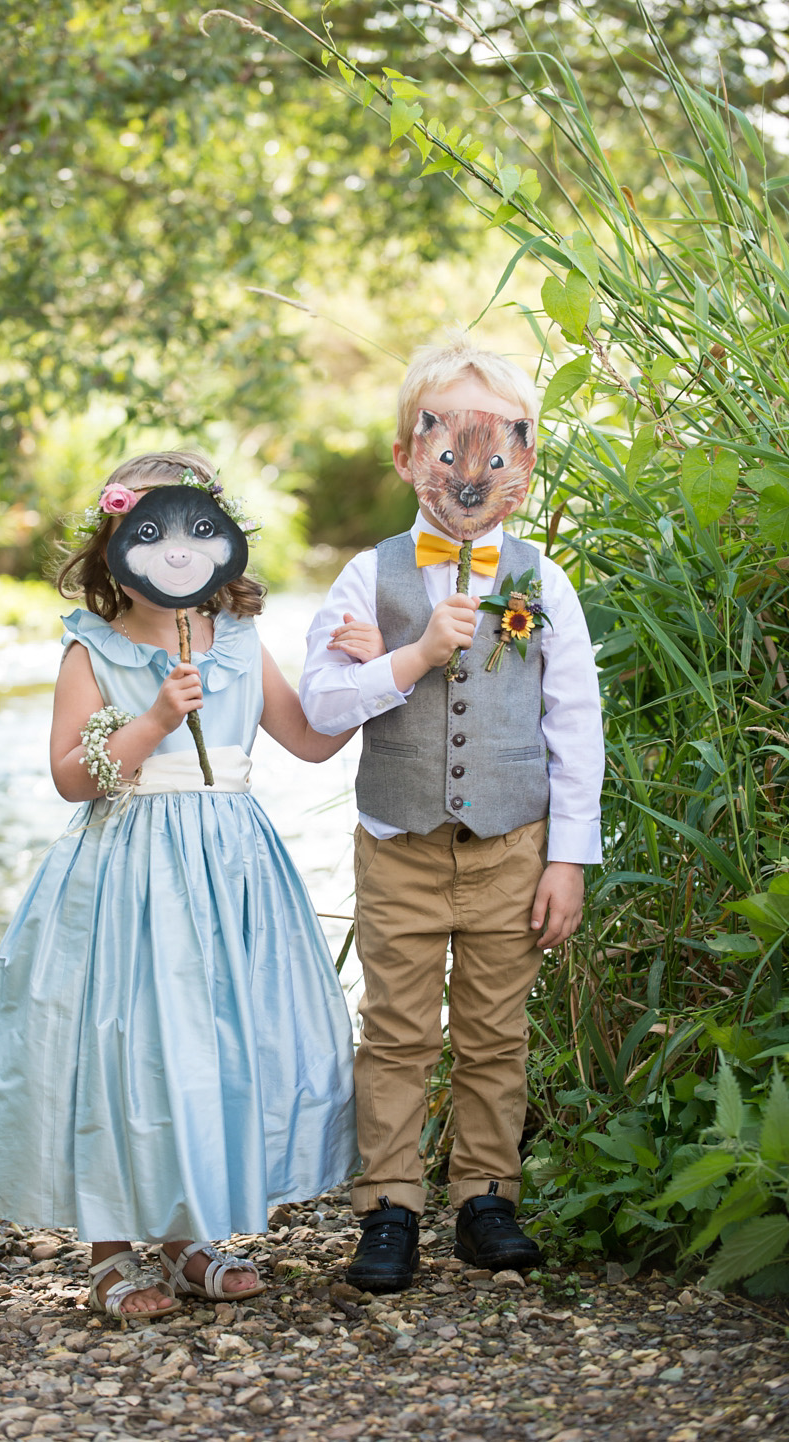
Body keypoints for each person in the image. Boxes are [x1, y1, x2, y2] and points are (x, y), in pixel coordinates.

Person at [0, 451, 358, 1321]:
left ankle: (187, 1232)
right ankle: (110, 1248)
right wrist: (157, 719)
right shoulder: (92, 650)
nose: (175, 557)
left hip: (234, 868)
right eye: (151, 536)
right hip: (129, 869)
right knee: (126, 1046)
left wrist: (371, 662)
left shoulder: (238, 642)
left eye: (195, 536)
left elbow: (313, 743)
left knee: (212, 1044)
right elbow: (71, 776)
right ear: (117, 546)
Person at [299, 336, 604, 1292]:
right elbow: (317, 705)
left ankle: (486, 1198)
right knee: (396, 1029)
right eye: (446, 443)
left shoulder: (541, 580)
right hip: (400, 846)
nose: (469, 467)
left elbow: (575, 719)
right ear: (408, 457)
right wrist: (408, 655)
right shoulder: (367, 578)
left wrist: (570, 857)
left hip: (513, 844)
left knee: (495, 1028)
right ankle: (388, 1204)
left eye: (496, 447)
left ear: (521, 462)